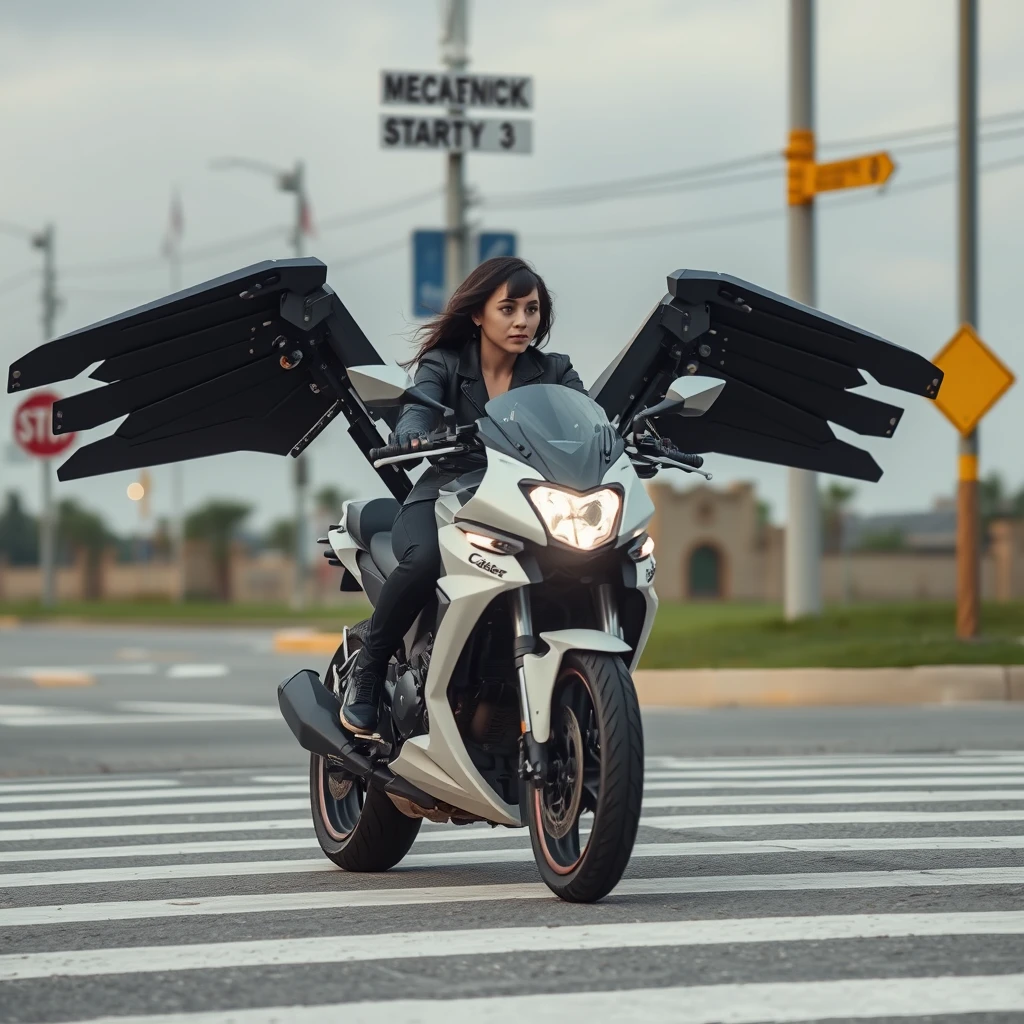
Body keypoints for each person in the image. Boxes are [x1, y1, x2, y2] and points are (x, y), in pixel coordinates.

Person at [340, 256, 587, 735]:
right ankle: (368, 671)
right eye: (509, 308)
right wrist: (412, 434)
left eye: (532, 309)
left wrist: (628, 438)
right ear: (478, 314)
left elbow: (584, 416)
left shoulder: (554, 369)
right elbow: (417, 407)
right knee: (424, 560)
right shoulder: (445, 364)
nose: (522, 321)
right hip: (447, 495)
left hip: (522, 501)